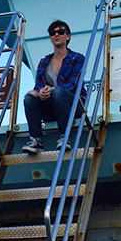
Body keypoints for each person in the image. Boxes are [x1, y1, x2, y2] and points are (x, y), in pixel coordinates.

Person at [22, 20, 85, 154]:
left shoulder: (77, 58)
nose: (56, 34)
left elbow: (74, 85)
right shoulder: (44, 62)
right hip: (52, 106)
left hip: (73, 106)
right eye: (52, 32)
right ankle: (36, 141)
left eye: (60, 32)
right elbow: (39, 83)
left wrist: (52, 90)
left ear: (68, 36)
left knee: (58, 92)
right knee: (30, 95)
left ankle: (64, 138)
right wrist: (41, 92)